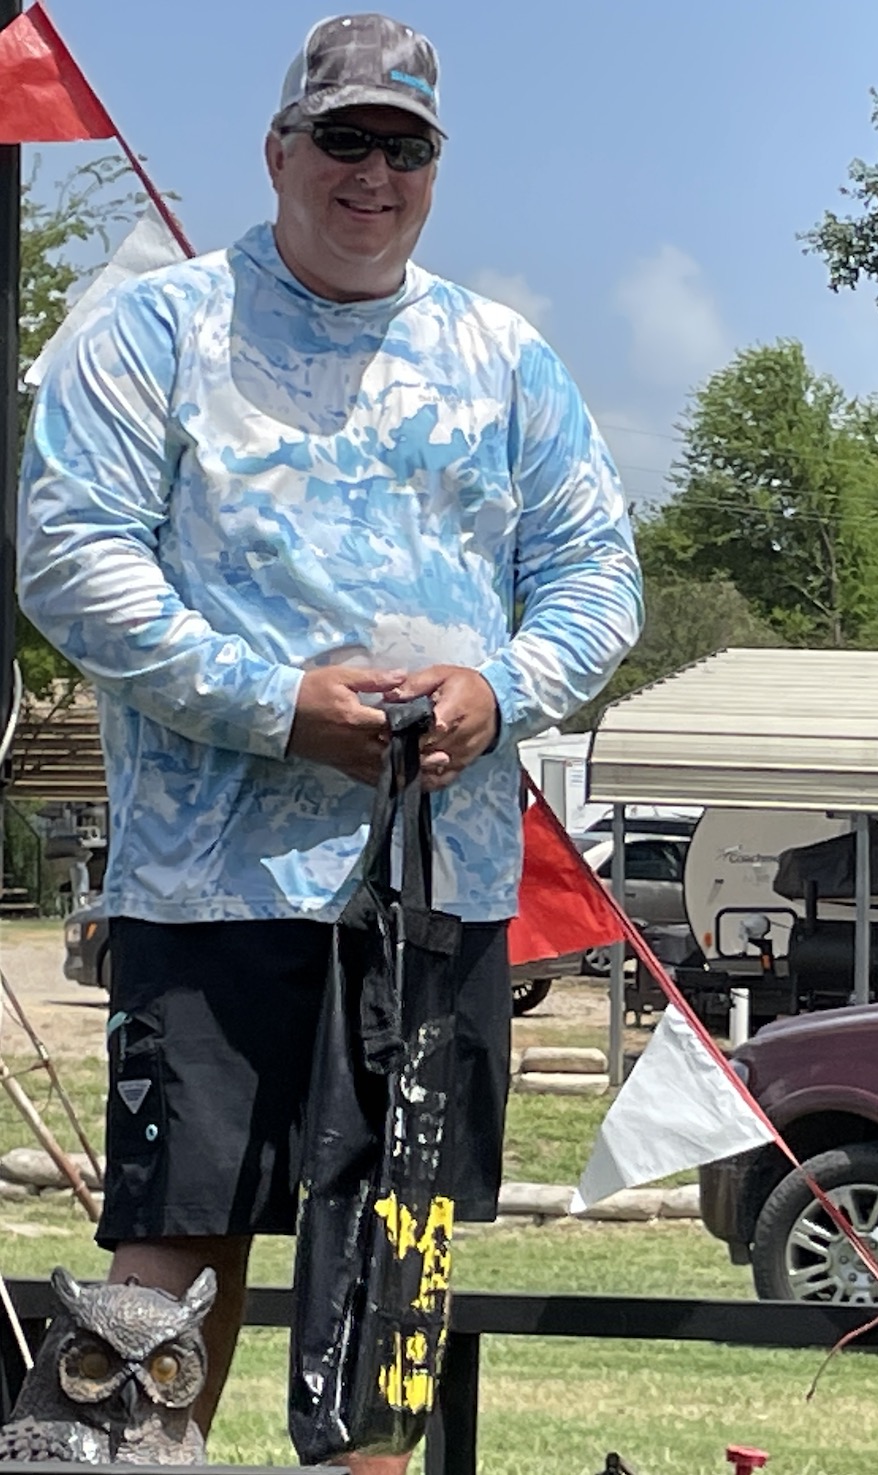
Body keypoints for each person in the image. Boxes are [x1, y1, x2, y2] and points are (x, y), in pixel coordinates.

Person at [17, 12, 642, 1463]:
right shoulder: (158, 330)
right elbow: (69, 562)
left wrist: (502, 689)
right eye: (345, 137)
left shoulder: (507, 357)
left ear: (436, 167)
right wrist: (277, 704)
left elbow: (600, 578)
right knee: (169, 1254)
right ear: (278, 150)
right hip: (209, 891)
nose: (374, 172)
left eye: (405, 147)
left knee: (394, 1260)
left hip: (436, 889)